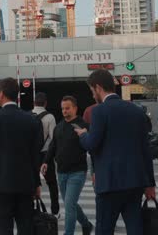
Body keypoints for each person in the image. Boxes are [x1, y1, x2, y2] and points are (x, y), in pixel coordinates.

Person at [74, 70, 156, 235]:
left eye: (92, 91)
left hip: (109, 184)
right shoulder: (136, 111)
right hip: (135, 182)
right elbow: (146, 150)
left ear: (98, 87)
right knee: (135, 228)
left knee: (104, 229)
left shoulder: (99, 111)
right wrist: (150, 184)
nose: (92, 96)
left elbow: (92, 144)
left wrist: (83, 135)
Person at [0, 77, 44, 235]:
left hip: (2, 184)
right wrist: (36, 183)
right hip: (25, 184)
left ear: (1, 94)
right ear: (17, 95)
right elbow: (35, 156)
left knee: (3, 229)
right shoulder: (31, 120)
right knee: (26, 228)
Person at [42, 96, 94, 235]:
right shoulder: (59, 127)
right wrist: (46, 161)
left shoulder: (83, 125)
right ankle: (86, 224)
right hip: (61, 172)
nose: (64, 111)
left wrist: (95, 171)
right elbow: (53, 146)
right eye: (63, 108)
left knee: (69, 205)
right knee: (70, 204)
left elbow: (91, 147)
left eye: (68, 108)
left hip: (77, 172)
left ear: (75, 108)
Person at [32, 92, 60, 217]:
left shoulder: (28, 115)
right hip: (45, 155)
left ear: (34, 103)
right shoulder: (50, 117)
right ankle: (55, 211)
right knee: (52, 183)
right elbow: (54, 138)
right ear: (45, 103)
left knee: (31, 182)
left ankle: (31, 210)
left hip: (31, 155)